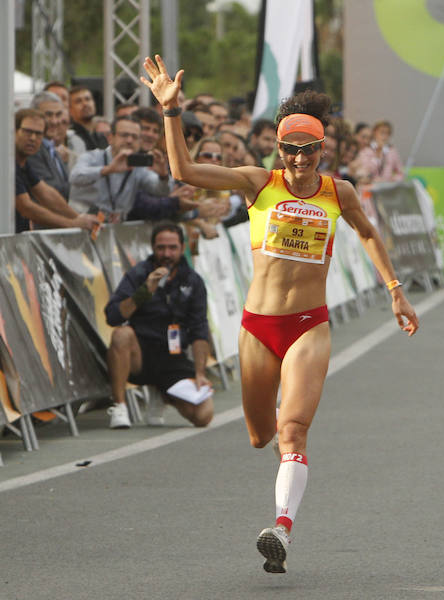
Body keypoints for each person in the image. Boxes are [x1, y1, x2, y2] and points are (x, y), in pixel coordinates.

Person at [141, 54, 419, 574]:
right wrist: (171, 112)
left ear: (322, 149)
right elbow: (184, 171)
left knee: (293, 431)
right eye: (290, 150)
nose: (299, 159)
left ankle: (282, 528)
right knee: (260, 435)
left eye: (309, 150)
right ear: (279, 149)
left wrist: (395, 289)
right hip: (257, 327)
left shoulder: (341, 192)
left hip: (309, 325)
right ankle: (287, 469)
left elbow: (366, 232)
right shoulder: (256, 183)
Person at [104, 222, 214, 429]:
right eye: (161, 248)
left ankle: (162, 394)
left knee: (204, 416)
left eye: (172, 248)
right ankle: (119, 406)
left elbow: (199, 329)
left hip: (173, 356)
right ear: (153, 248)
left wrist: (200, 373)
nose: (166, 253)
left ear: (182, 248)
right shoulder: (139, 274)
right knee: (121, 335)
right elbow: (113, 316)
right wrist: (144, 291)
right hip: (140, 355)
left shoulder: (193, 281)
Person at [69, 115, 173, 220]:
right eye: (124, 135)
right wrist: (108, 169)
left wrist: (163, 175)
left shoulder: (138, 166)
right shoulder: (92, 157)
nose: (129, 140)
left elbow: (162, 191)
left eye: (135, 137)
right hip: (80, 223)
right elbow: (74, 177)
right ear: (110, 138)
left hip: (114, 228)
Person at [13, 109, 98, 233]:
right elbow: (26, 207)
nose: (33, 138)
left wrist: (78, 218)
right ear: (14, 131)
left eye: (38, 134)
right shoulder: (6, 164)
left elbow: (45, 193)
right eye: (27, 132)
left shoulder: (23, 164)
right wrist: (72, 223)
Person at [27, 91, 71, 202]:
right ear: (34, 115)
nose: (54, 121)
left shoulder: (52, 149)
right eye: (48, 115)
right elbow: (49, 192)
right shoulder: (31, 149)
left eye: (58, 114)